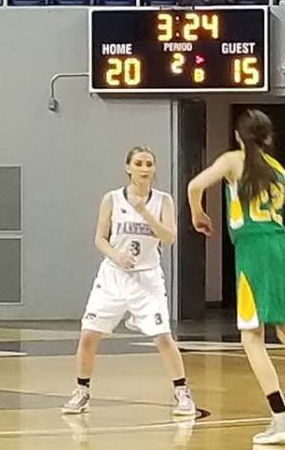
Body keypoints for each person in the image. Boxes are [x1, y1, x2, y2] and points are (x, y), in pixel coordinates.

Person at [186, 109, 285, 444]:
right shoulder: (279, 171)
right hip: (282, 247)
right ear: (269, 138)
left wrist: (198, 214)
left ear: (240, 136)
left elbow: (194, 185)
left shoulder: (232, 160)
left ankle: (281, 418)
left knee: (252, 337)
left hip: (253, 251)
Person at [62, 147, 196, 418]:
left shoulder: (163, 201)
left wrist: (144, 213)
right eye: (139, 163)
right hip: (113, 275)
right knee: (88, 335)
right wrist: (115, 255)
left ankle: (182, 392)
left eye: (149, 164)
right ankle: (81, 390)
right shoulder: (111, 199)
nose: (144, 168)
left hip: (147, 278)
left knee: (162, 337)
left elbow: (169, 239)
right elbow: (99, 238)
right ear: (128, 167)